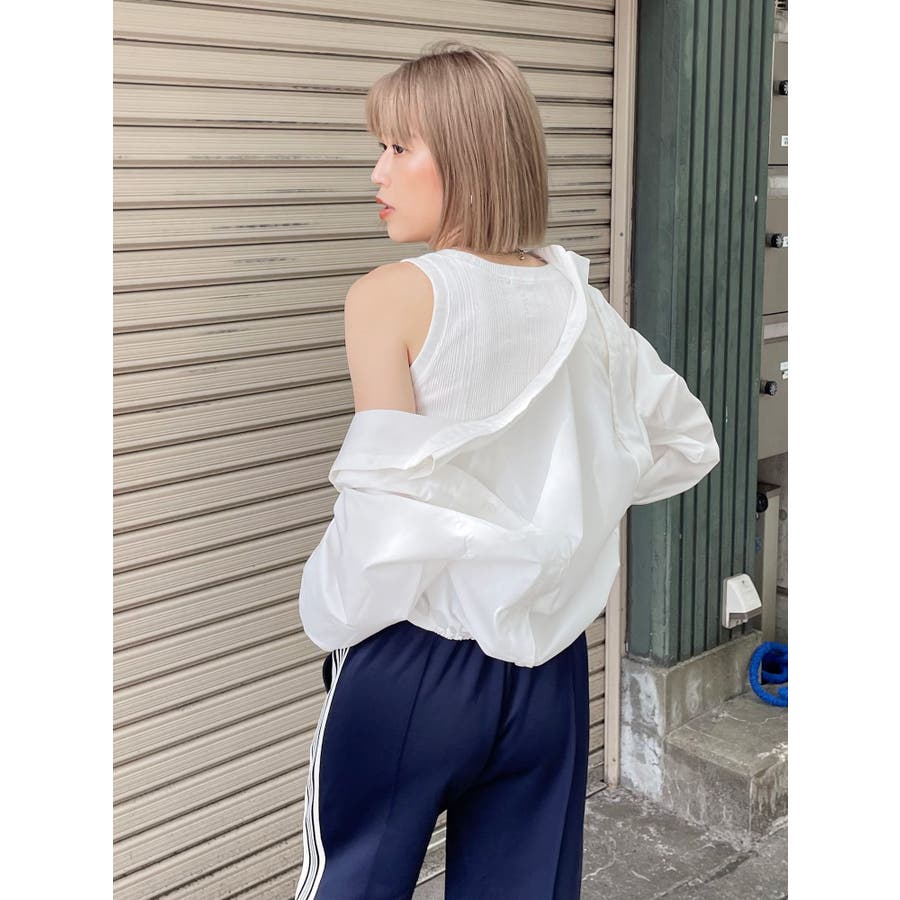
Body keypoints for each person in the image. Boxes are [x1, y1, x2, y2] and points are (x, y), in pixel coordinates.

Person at [294, 41, 720, 900]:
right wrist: (562, 516)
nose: (377, 172)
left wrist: (333, 627)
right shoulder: (580, 305)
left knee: (352, 885)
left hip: (413, 659)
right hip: (547, 668)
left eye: (399, 147)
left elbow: (382, 516)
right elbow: (686, 440)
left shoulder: (390, 295)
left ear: (468, 155)